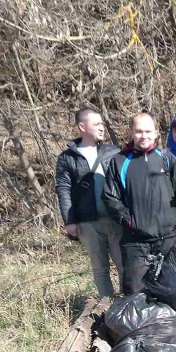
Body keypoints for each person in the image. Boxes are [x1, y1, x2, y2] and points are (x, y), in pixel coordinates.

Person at [103, 112, 176, 295]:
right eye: (139, 131)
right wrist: (131, 222)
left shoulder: (166, 158)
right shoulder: (119, 162)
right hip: (136, 241)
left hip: (170, 238)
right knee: (135, 293)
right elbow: (110, 198)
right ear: (132, 132)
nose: (144, 136)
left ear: (156, 132)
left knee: (175, 292)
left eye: (148, 131)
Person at [55, 108, 122, 297]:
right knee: (100, 269)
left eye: (102, 123)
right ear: (82, 127)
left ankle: (128, 306)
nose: (102, 128)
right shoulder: (67, 158)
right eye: (97, 124)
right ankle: (107, 306)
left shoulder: (113, 152)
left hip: (115, 219)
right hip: (88, 222)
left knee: (124, 265)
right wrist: (69, 221)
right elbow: (63, 190)